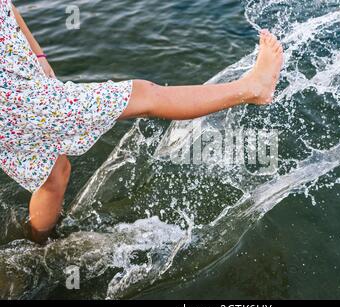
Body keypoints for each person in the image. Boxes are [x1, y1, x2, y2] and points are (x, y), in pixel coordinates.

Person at [0, 0, 283, 243]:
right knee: (144, 96)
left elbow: (8, 8)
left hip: (23, 83)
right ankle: (253, 89)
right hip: (14, 100)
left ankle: (38, 245)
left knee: (54, 170)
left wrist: (38, 57)